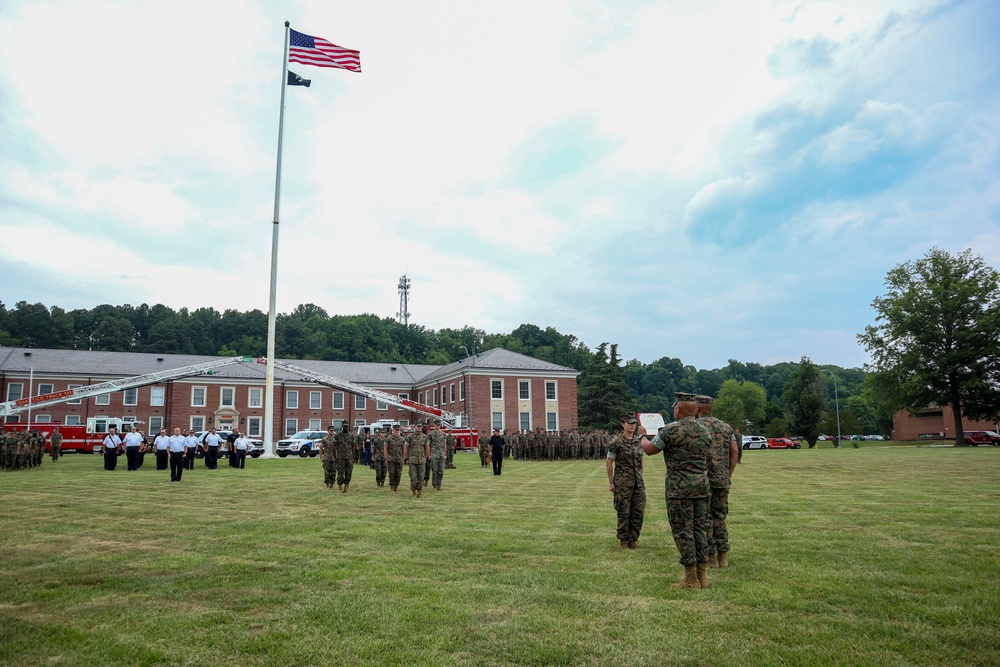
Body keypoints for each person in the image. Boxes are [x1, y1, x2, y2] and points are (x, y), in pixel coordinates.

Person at [641, 393, 712, 590]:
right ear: (696, 410)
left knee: (684, 531)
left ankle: (690, 579)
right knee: (700, 529)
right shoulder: (705, 431)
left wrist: (641, 435)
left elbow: (649, 449)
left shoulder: (670, 430)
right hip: (701, 486)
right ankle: (702, 576)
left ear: (678, 410)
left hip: (679, 488)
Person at [696, 395, 739, 569]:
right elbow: (734, 452)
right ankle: (723, 555)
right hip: (721, 479)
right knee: (720, 517)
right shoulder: (725, 427)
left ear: (698, 408)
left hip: (702, 479)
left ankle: (710, 556)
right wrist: (727, 476)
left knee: (705, 517)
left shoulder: (696, 427)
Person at [607, 415, 646, 549]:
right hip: (623, 483)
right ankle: (623, 540)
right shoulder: (616, 441)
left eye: (634, 423)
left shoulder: (637, 441)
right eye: (629, 423)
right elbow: (609, 462)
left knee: (638, 511)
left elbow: (641, 461)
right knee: (624, 511)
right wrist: (611, 483)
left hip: (638, 482)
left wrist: (641, 475)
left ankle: (633, 539)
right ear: (622, 424)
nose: (632, 426)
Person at [404, 425, 430, 498]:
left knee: (421, 477)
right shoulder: (410, 437)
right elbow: (406, 447)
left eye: (420, 426)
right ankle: (413, 492)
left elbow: (427, 447)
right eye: (417, 426)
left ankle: (420, 492)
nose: (419, 428)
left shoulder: (425, 437)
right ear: (415, 427)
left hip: (421, 460)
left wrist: (427, 456)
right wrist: (406, 458)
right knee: (413, 477)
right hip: (412, 460)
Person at [335, 424, 356, 493]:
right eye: (344, 426)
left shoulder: (351, 435)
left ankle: (346, 486)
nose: (346, 428)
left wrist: (353, 456)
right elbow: (333, 446)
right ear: (342, 427)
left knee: (348, 472)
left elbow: (353, 446)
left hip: (349, 457)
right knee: (340, 472)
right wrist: (335, 456)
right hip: (340, 457)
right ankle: (340, 486)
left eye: (347, 426)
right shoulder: (338, 435)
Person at [385, 424, 405, 493]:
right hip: (391, 459)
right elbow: (386, 448)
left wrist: (403, 458)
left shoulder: (402, 439)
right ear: (393, 430)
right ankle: (392, 487)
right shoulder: (389, 439)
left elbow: (403, 449)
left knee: (398, 473)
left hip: (399, 459)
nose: (396, 431)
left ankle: (396, 486)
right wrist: (386, 458)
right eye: (395, 430)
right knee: (391, 473)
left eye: (398, 430)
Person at [428, 423, 447, 491]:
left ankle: (439, 484)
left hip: (441, 454)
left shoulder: (443, 434)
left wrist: (444, 454)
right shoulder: (430, 434)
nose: (438, 426)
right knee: (434, 471)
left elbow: (444, 444)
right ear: (434, 425)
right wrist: (429, 454)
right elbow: (428, 445)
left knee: (441, 471)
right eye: (436, 425)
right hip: (434, 454)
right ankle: (434, 485)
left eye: (439, 425)